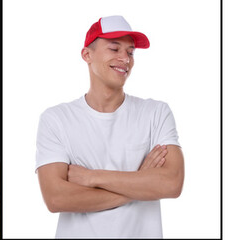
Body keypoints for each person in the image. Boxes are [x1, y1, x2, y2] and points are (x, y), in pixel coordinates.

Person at [34, 15, 184, 238]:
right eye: (114, 49)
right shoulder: (56, 119)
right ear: (87, 54)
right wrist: (139, 182)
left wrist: (92, 177)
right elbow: (56, 198)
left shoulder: (156, 113)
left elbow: (171, 184)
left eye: (130, 52)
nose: (125, 58)